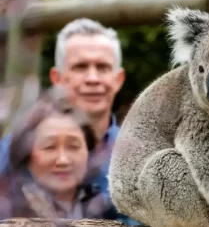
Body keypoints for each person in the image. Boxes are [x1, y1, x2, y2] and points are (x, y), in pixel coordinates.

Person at [0, 18, 134, 223]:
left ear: (119, 79)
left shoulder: (137, 157)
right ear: (57, 78)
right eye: (80, 67)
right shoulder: (11, 151)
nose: (93, 78)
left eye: (103, 67)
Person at [0, 86, 114, 219]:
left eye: (73, 146)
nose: (62, 160)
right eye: (49, 147)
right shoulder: (6, 210)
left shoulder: (110, 212)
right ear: (27, 154)